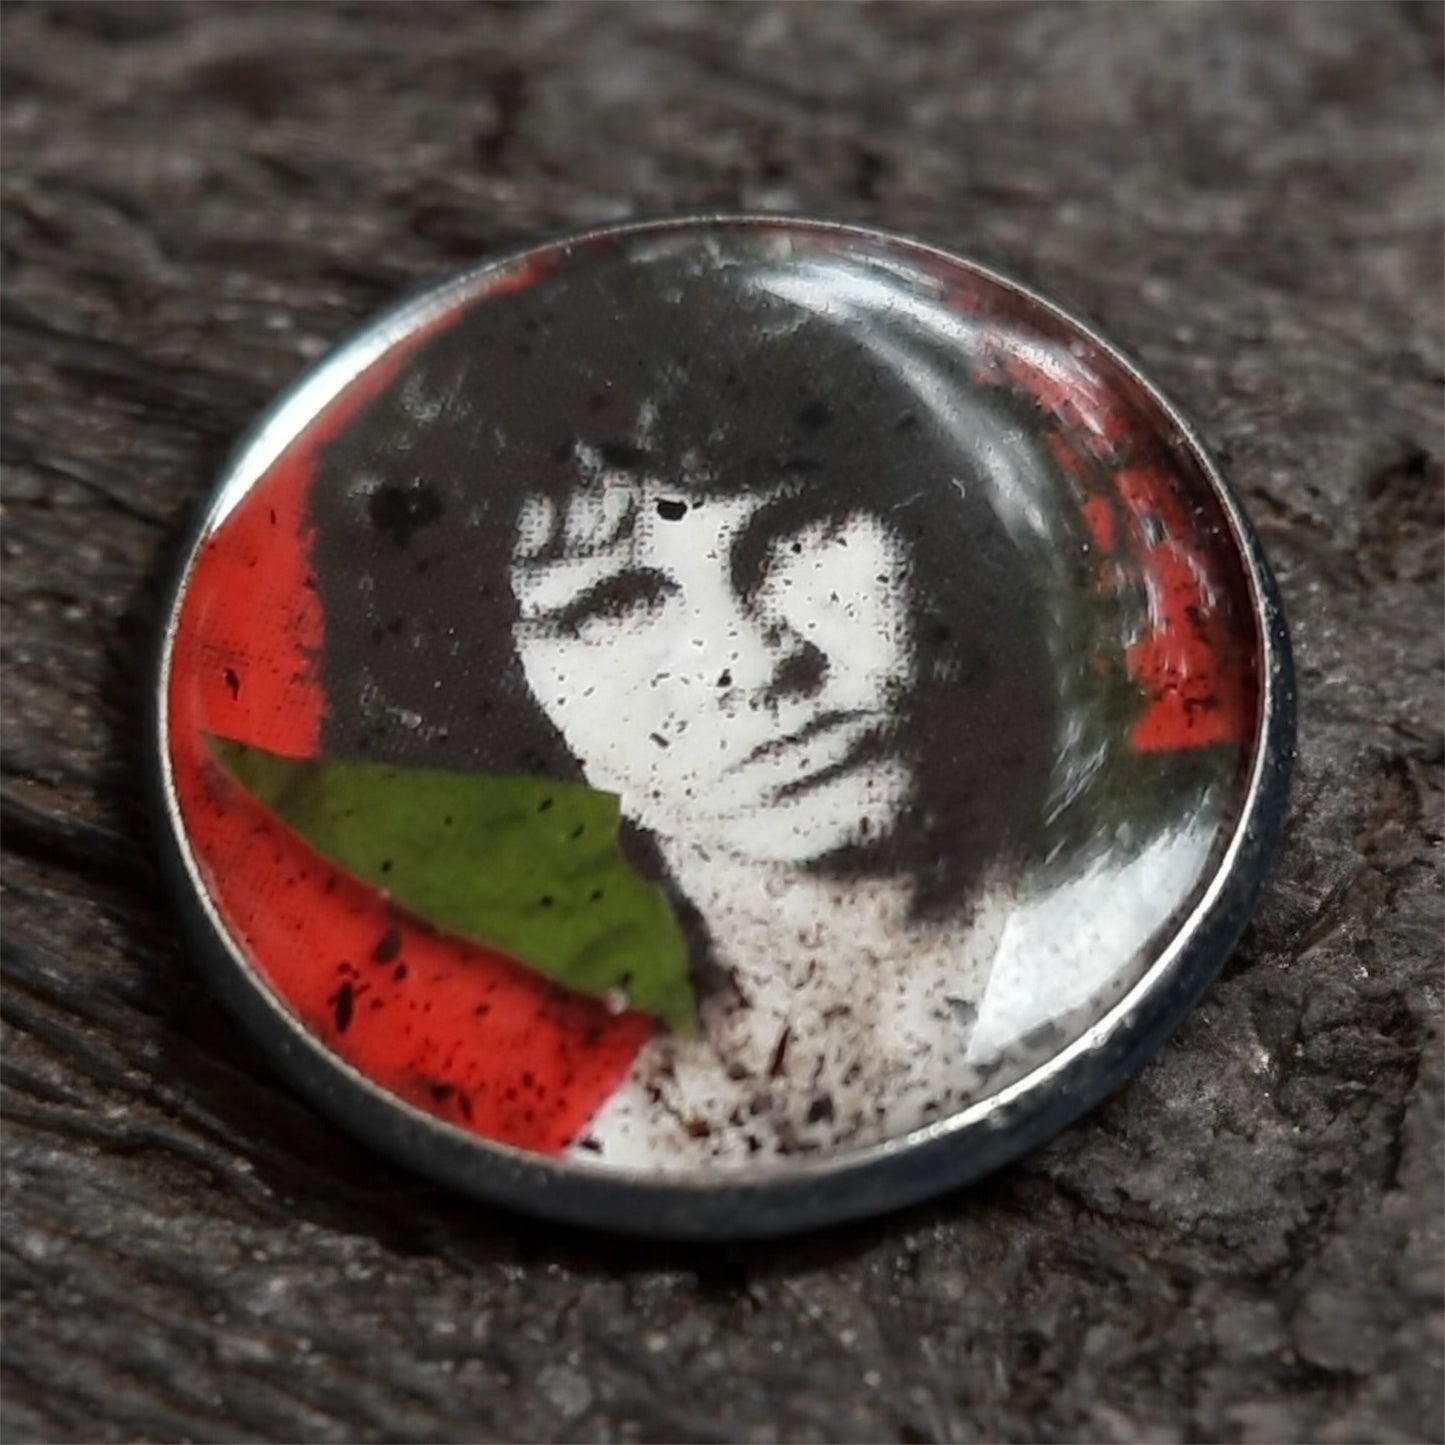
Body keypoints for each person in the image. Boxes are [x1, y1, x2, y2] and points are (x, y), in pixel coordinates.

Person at [306, 240, 1228, 1168]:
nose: (751, 661)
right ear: (494, 682)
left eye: (793, 531)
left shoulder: (1148, 861)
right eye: (612, 603)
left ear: (927, 531)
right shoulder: (619, 1137)